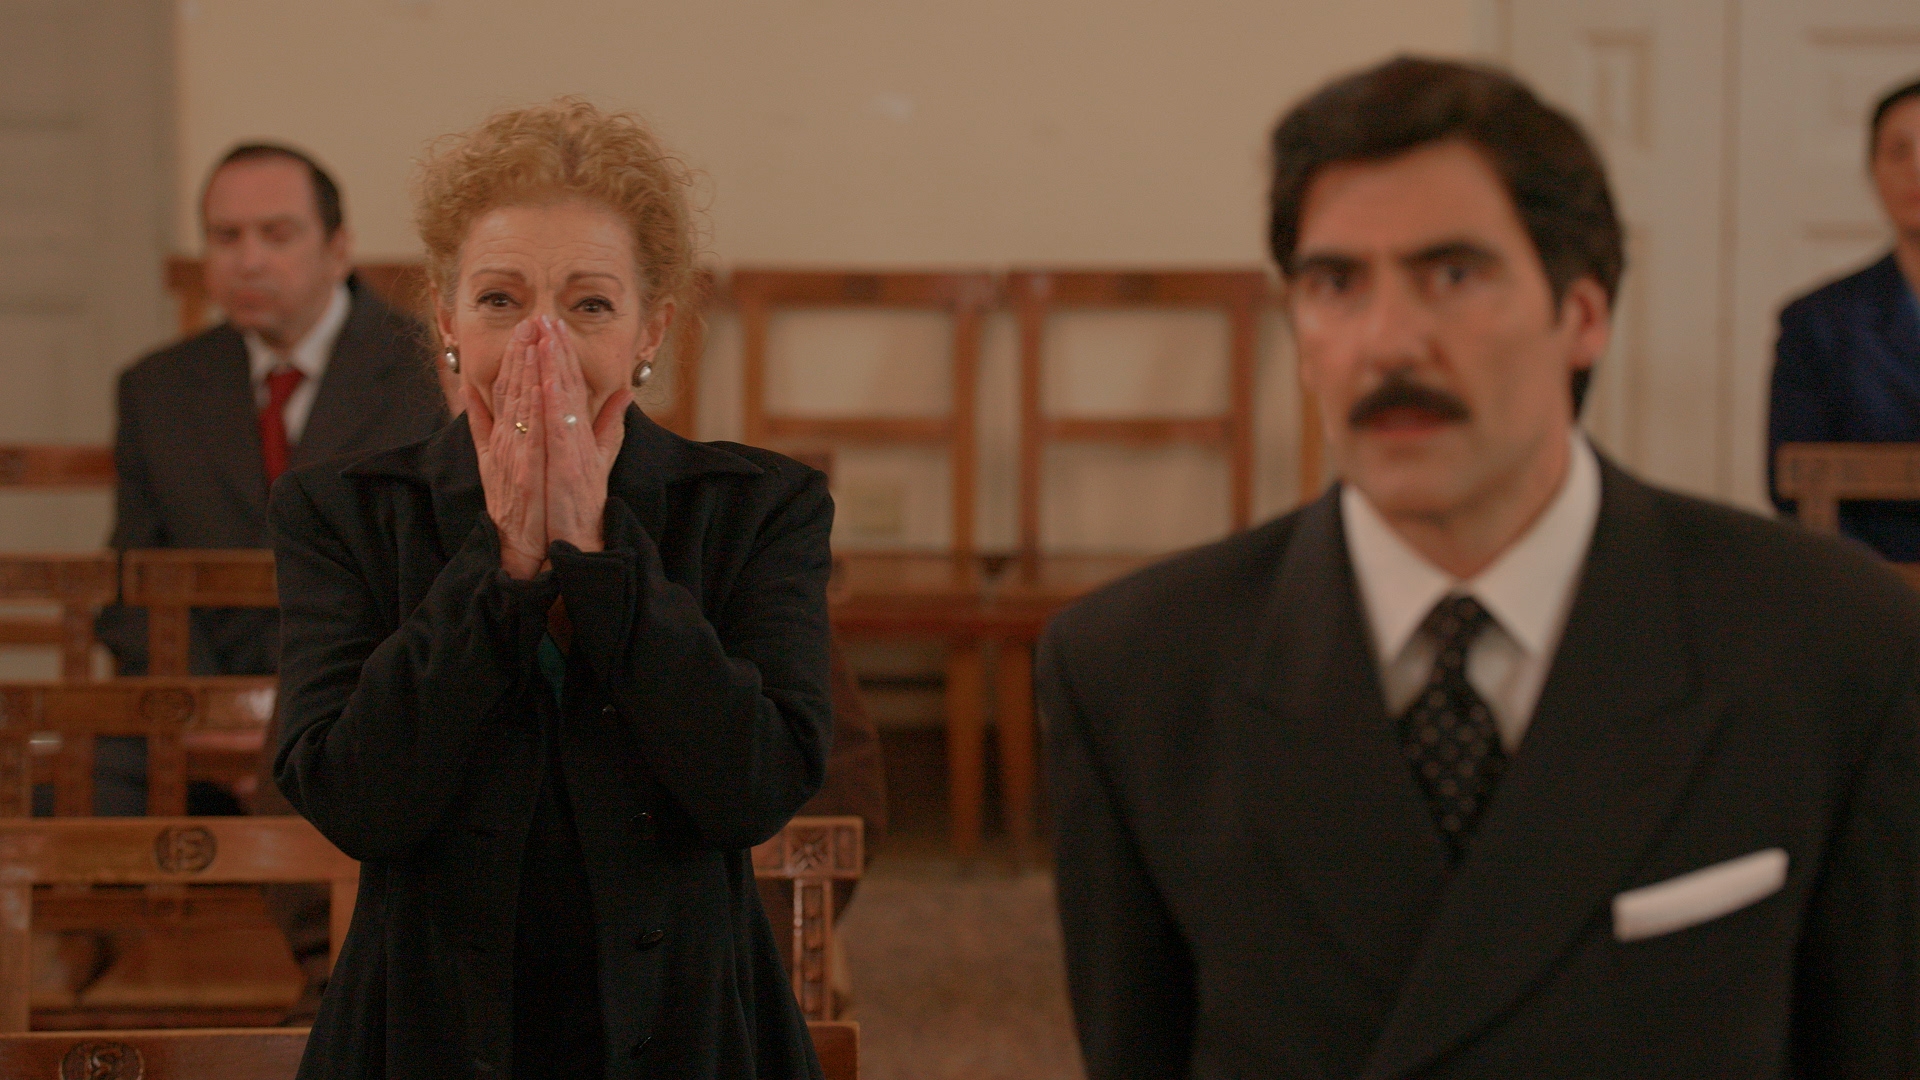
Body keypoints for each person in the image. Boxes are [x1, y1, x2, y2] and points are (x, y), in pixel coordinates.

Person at [1042, 56, 1917, 1079]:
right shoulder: (1135, 671)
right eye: (1335, 284)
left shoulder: (1830, 642)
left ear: (1582, 316)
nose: (1388, 342)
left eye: (1453, 275)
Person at [271, 99, 832, 1080]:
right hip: (424, 1028)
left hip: (689, 1024)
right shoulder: (345, 512)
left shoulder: (757, 507)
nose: (545, 342)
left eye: (590, 305)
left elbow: (754, 788)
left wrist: (599, 555)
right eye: (500, 300)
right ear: (446, 320)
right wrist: (506, 564)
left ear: (652, 329)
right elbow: (357, 802)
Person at [99, 143, 446, 678]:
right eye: (226, 236)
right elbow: (131, 583)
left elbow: (436, 581)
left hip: (370, 691)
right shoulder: (156, 389)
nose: (249, 261)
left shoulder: (428, 375)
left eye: (277, 235)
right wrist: (204, 703)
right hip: (195, 693)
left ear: (337, 249)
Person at [1769, 76, 1920, 557]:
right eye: (1898, 152)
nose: (1917, 168)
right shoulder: (1816, 322)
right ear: (1873, 171)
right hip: (1865, 581)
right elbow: (1788, 486)